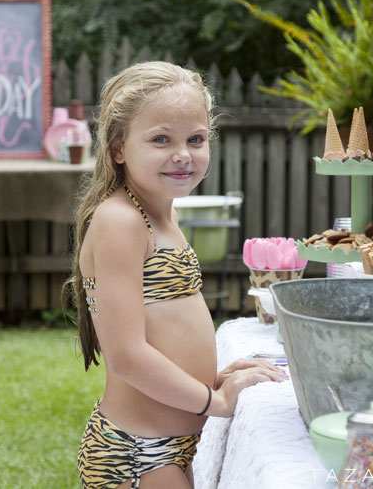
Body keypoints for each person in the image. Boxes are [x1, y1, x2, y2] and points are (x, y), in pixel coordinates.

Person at [67, 61, 286, 489]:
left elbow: (164, 326)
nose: (183, 153)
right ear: (118, 148)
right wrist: (215, 399)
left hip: (172, 442)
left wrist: (214, 377)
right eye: (161, 139)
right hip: (139, 452)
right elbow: (127, 356)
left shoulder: (162, 213)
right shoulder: (120, 220)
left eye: (196, 139)